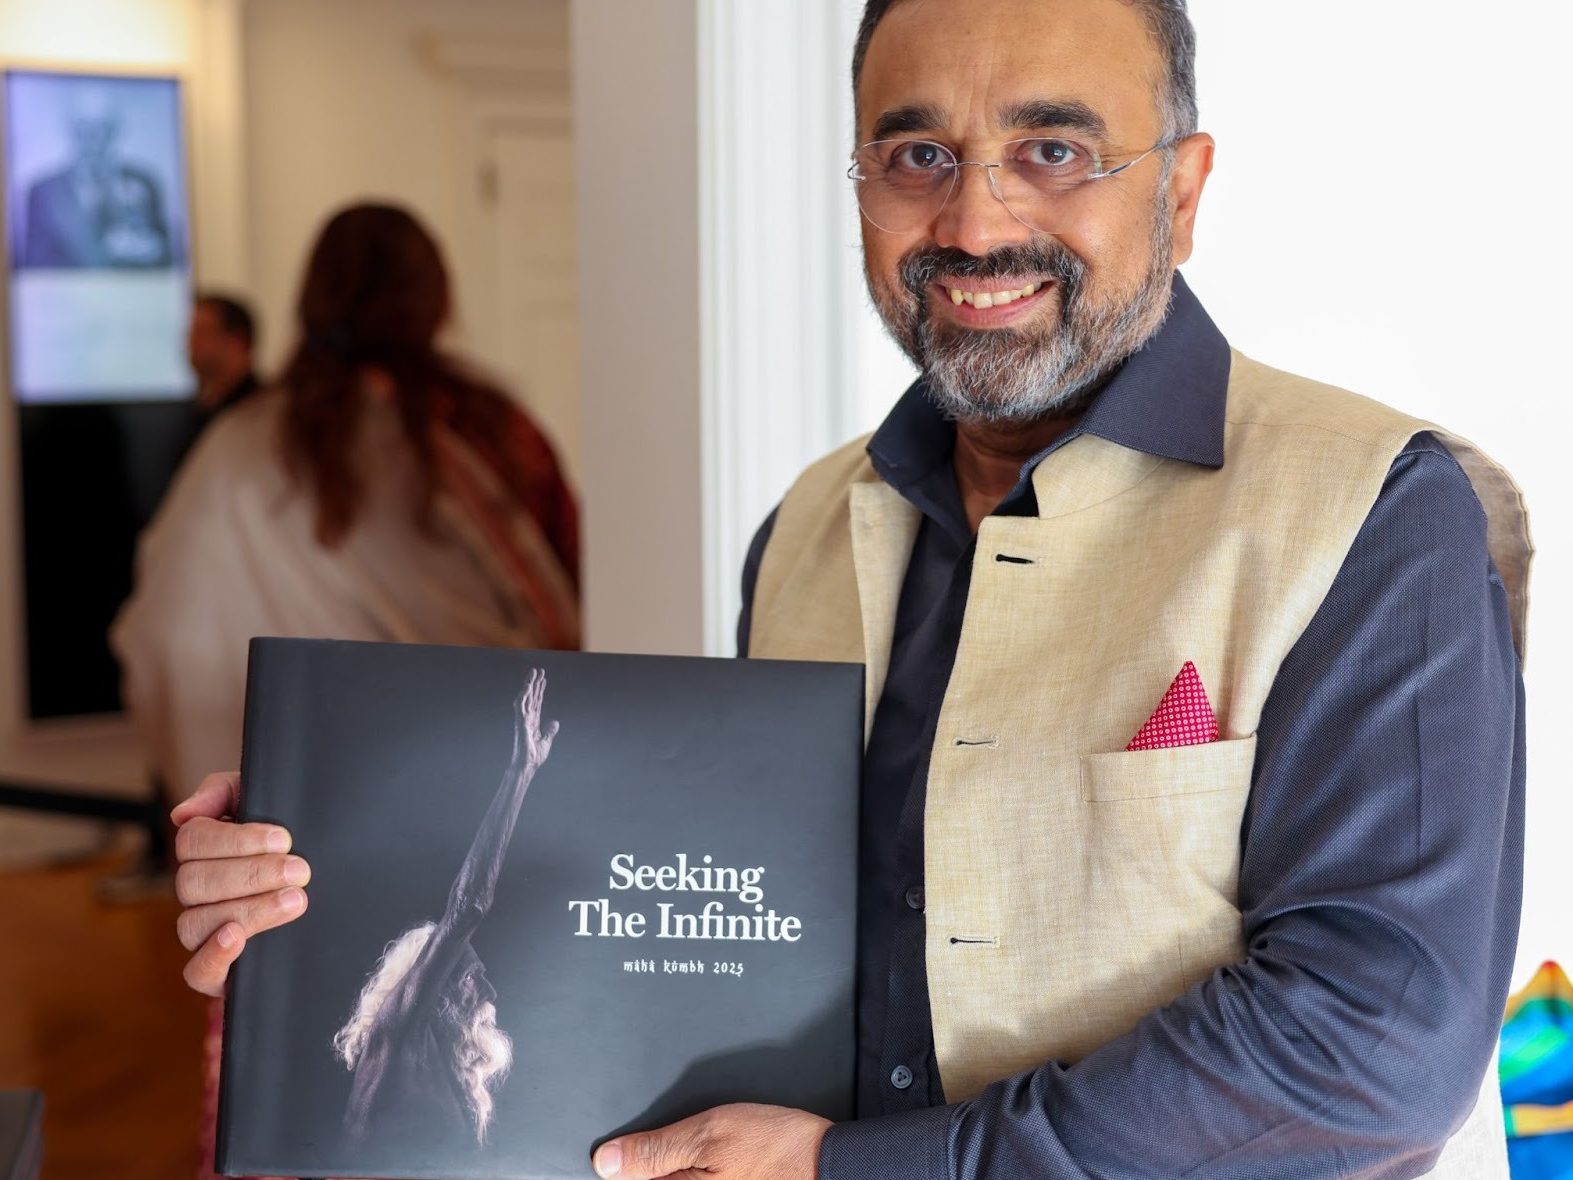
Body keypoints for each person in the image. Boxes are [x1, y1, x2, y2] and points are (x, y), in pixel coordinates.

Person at [168, 3, 1529, 1179]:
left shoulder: (1376, 512)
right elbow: (705, 927)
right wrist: (317, 883)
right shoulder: (805, 531)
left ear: (1180, 187)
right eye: (916, 154)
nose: (976, 219)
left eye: (1052, 151)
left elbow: (1373, 1046)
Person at [113, 201, 579, 802]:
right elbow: (562, 599)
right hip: (456, 789)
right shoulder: (483, 429)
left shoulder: (237, 443)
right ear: (434, 298)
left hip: (271, 814)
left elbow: (162, 632)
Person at [334, 668, 556, 1147]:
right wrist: (520, 773)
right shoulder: (396, 1036)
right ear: (430, 986)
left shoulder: (438, 1062)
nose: (489, 988)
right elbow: (468, 908)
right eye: (470, 974)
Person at [21, 85, 173, 269]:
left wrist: (147, 251)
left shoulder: (144, 183)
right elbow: (35, 267)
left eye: (100, 128)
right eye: (83, 128)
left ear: (114, 131)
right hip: (68, 295)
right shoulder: (43, 191)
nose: (92, 139)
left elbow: (167, 260)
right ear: (72, 131)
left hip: (133, 294)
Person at [187, 294, 261, 415]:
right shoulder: (200, 410)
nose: (191, 342)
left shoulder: (262, 414)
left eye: (202, 332)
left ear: (238, 342)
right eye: (190, 333)